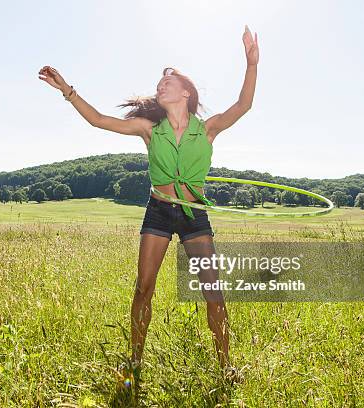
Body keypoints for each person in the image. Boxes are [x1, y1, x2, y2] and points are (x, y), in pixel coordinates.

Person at [38, 25, 258, 384]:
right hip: (158, 209)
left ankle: (225, 365)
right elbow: (98, 120)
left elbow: (244, 105)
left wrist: (251, 63)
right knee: (144, 287)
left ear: (186, 93)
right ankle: (135, 361)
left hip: (194, 215)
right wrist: (67, 90)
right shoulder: (147, 129)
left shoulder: (209, 129)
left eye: (168, 82)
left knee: (213, 295)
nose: (161, 85)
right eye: (159, 83)